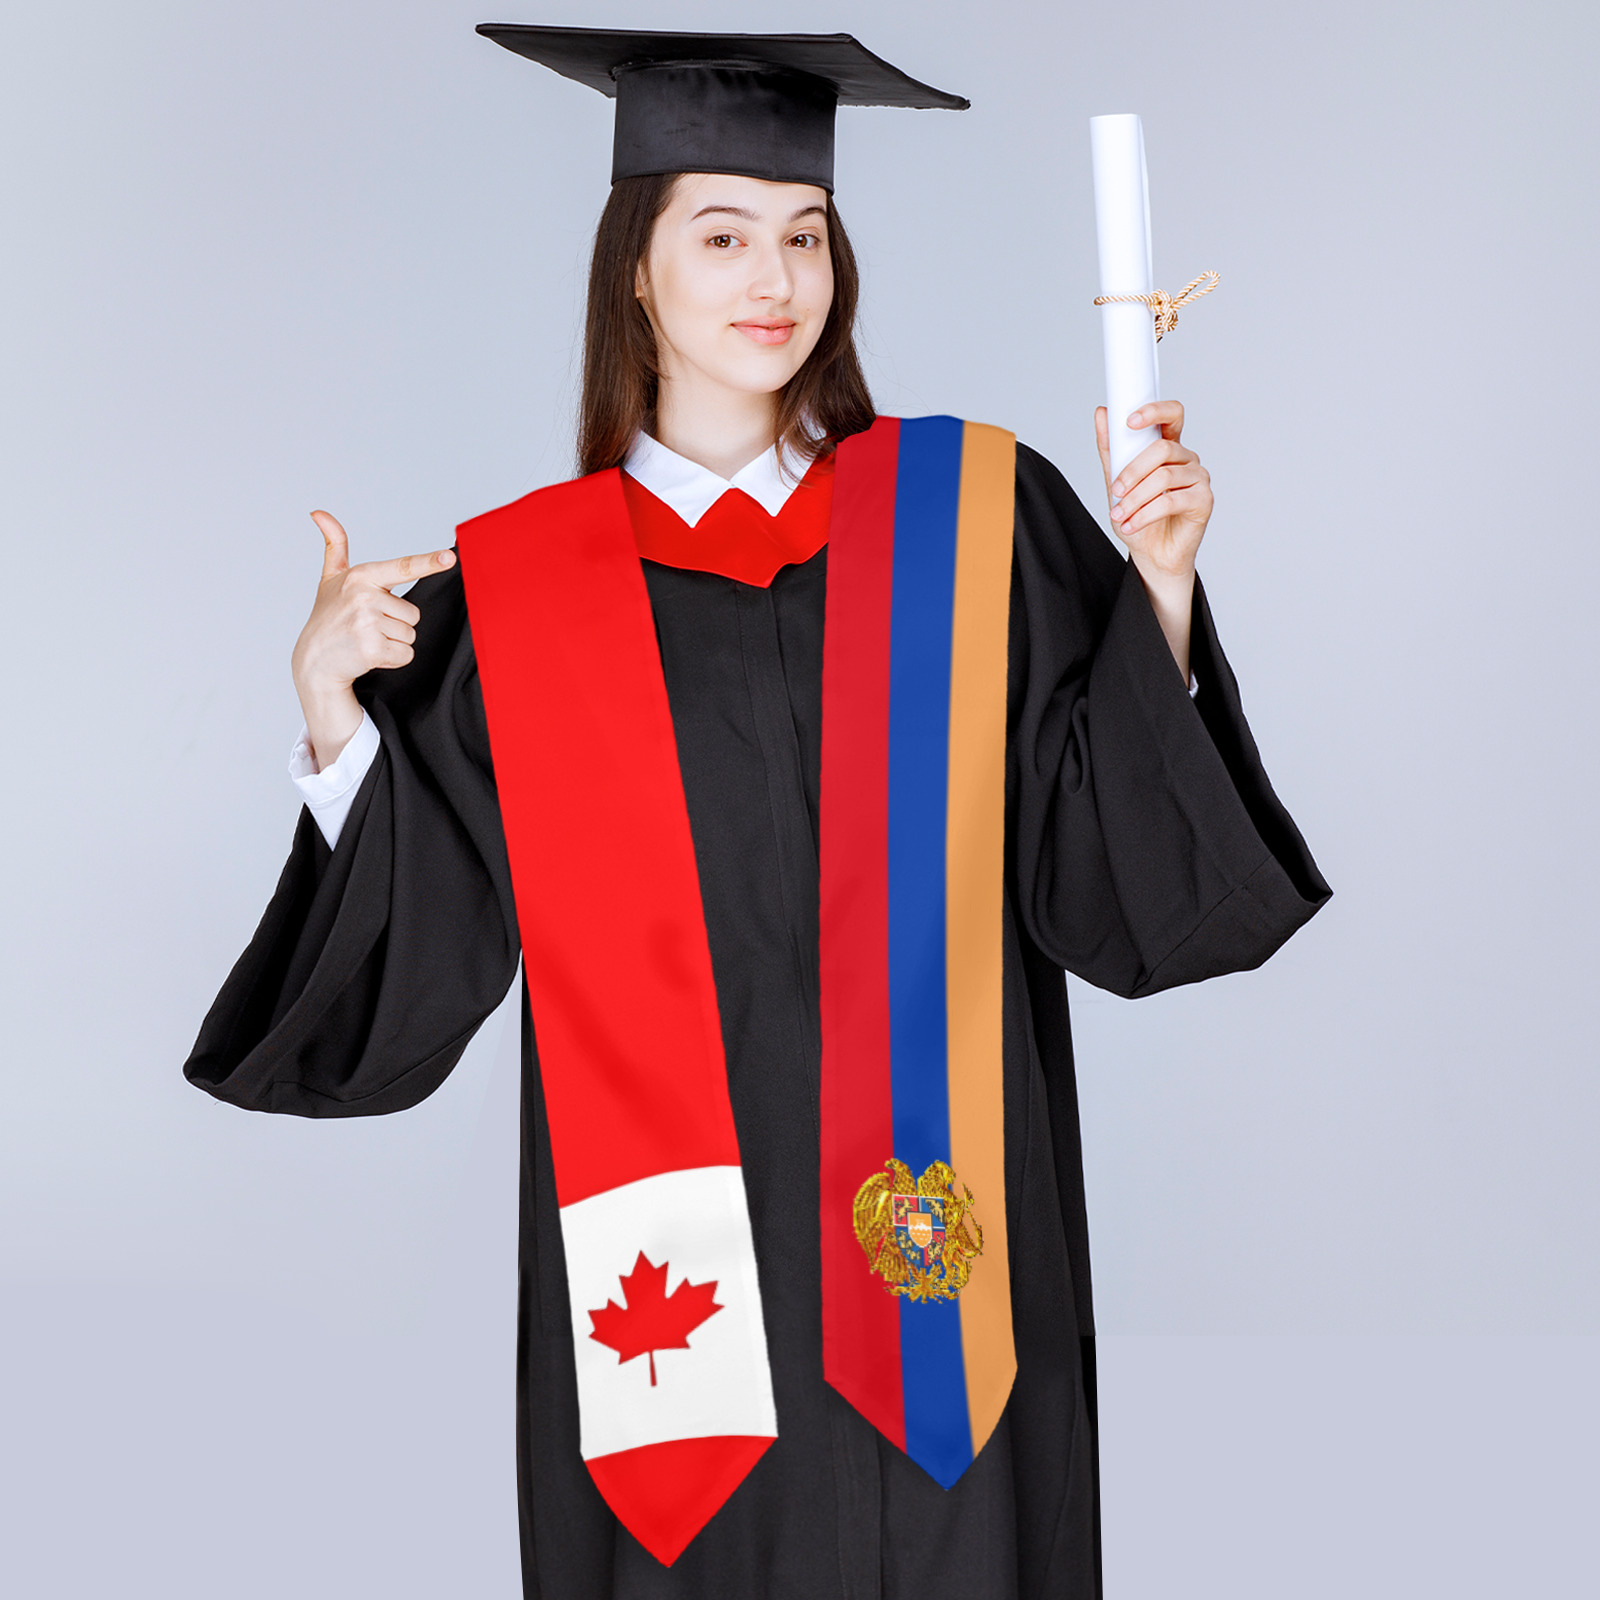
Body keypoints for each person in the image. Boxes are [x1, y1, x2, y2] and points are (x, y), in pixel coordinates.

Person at [185, 24, 1329, 1600]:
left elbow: (1108, 878)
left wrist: (1165, 591)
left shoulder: (973, 516)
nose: (772, 277)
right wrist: (332, 716)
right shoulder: (521, 589)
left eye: (804, 235)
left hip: (945, 1280)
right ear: (635, 274)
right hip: (671, 1327)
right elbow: (421, 949)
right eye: (719, 236)